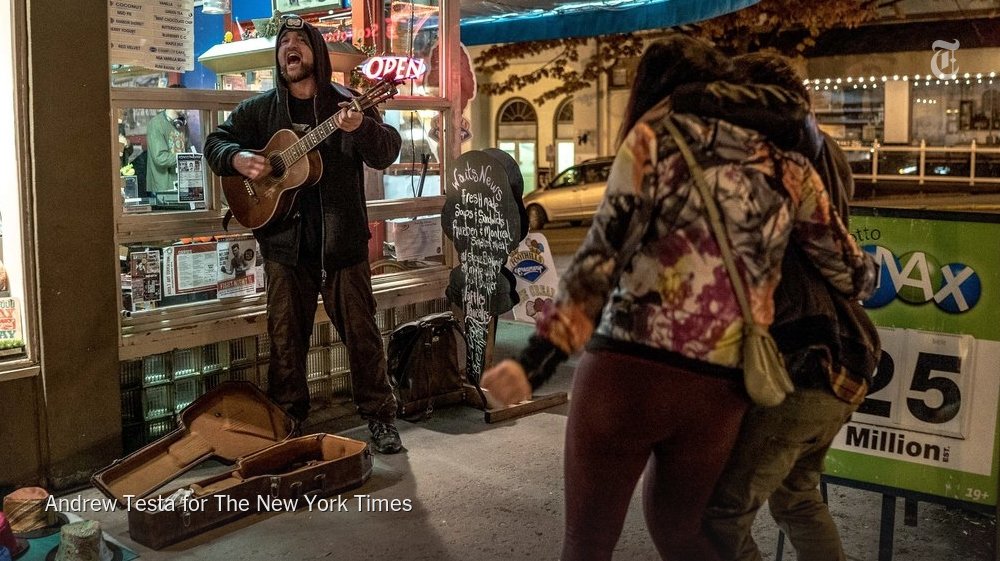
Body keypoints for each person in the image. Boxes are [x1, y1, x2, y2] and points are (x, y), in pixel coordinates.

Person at [481, 35, 876, 561]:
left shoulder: (654, 140)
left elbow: (599, 261)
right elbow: (852, 275)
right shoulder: (792, 167)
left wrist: (534, 363)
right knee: (683, 538)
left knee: (587, 544)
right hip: (718, 390)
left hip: (627, 374)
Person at [700, 53, 881, 561]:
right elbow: (852, 273)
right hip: (848, 353)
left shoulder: (775, 164)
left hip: (802, 360)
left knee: (718, 518)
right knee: (796, 497)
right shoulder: (828, 153)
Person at [204, 15, 404, 454]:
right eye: (283, 43)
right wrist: (237, 158)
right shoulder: (260, 110)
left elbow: (387, 151)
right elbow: (215, 142)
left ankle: (379, 416)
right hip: (284, 245)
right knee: (285, 340)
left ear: (316, 52)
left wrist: (362, 127)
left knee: (362, 336)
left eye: (299, 41)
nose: (289, 48)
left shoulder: (348, 104)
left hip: (341, 244)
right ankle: (288, 423)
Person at [146, 108, 189, 194]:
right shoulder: (156, 124)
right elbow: (160, 158)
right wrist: (184, 158)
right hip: (164, 188)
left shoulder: (183, 123)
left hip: (183, 184)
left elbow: (187, 149)